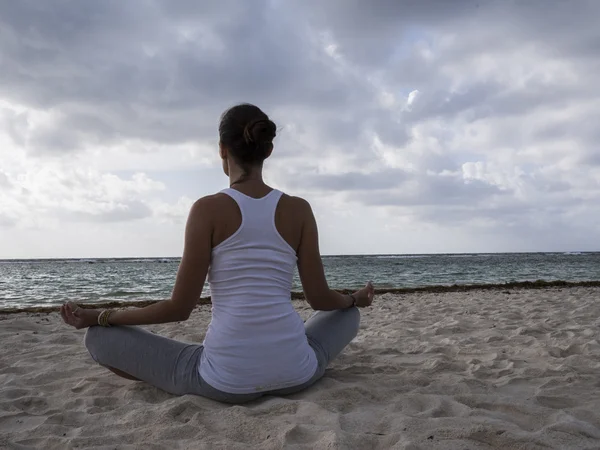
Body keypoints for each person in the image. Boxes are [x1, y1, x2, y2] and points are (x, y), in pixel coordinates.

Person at [60, 103, 375, 404]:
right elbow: (320, 299)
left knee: (98, 338)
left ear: (222, 150)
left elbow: (179, 308)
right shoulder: (299, 209)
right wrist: (353, 299)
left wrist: (100, 316)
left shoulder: (207, 209)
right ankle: (299, 347)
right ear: (268, 150)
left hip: (224, 381)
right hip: (298, 373)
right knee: (346, 314)